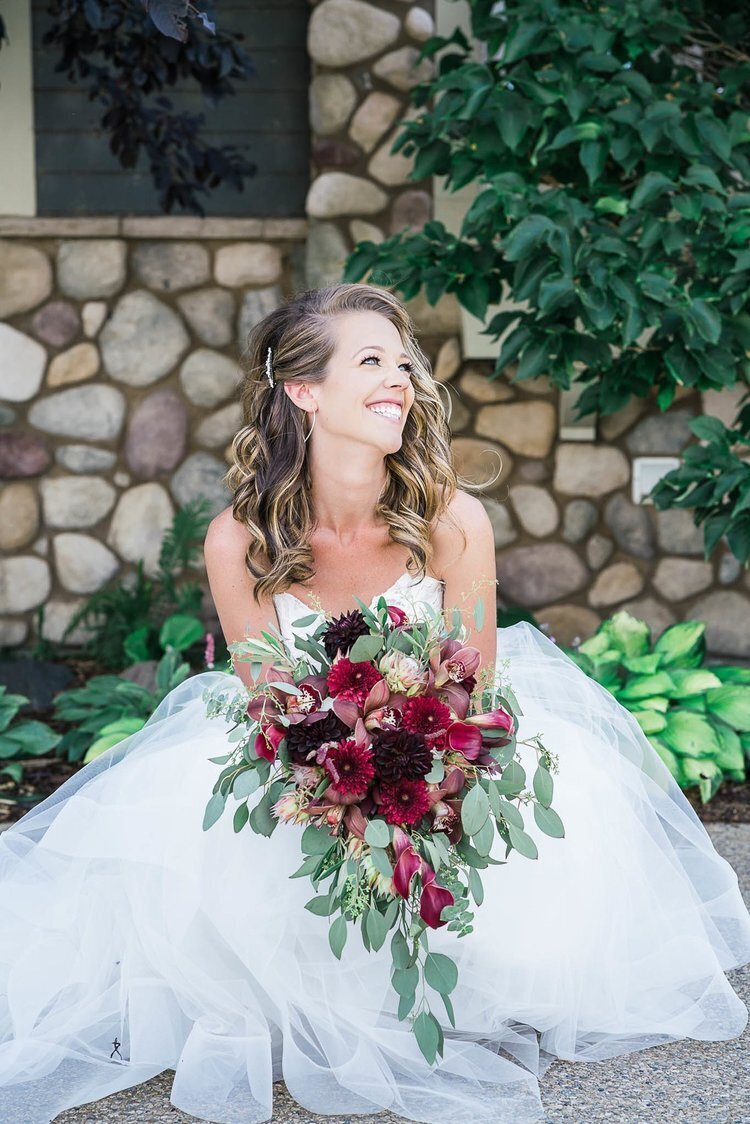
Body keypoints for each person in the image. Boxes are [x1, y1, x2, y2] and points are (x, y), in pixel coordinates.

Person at [0, 283, 748, 1124]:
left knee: (511, 910)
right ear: (304, 390)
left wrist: (425, 782)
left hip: (444, 763)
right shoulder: (240, 541)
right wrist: (344, 791)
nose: (400, 377)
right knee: (213, 891)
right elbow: (269, 710)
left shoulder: (452, 522)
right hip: (309, 775)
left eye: (403, 362)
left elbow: (478, 694)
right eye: (371, 361)